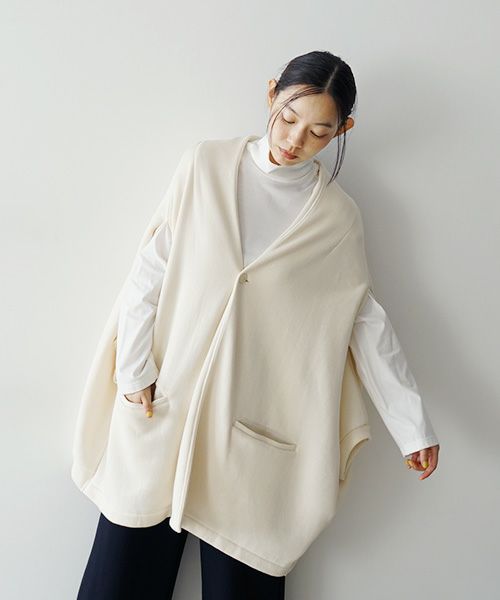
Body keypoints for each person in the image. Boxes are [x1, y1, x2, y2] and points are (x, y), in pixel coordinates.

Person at [75, 50, 440, 599]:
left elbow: (364, 322)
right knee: (119, 581)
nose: (295, 140)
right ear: (271, 93)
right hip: (162, 408)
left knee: (242, 585)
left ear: (343, 130)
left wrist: (412, 427)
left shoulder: (336, 218)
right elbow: (149, 271)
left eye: (319, 132)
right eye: (288, 118)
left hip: (252, 442)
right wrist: (133, 373)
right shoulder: (205, 165)